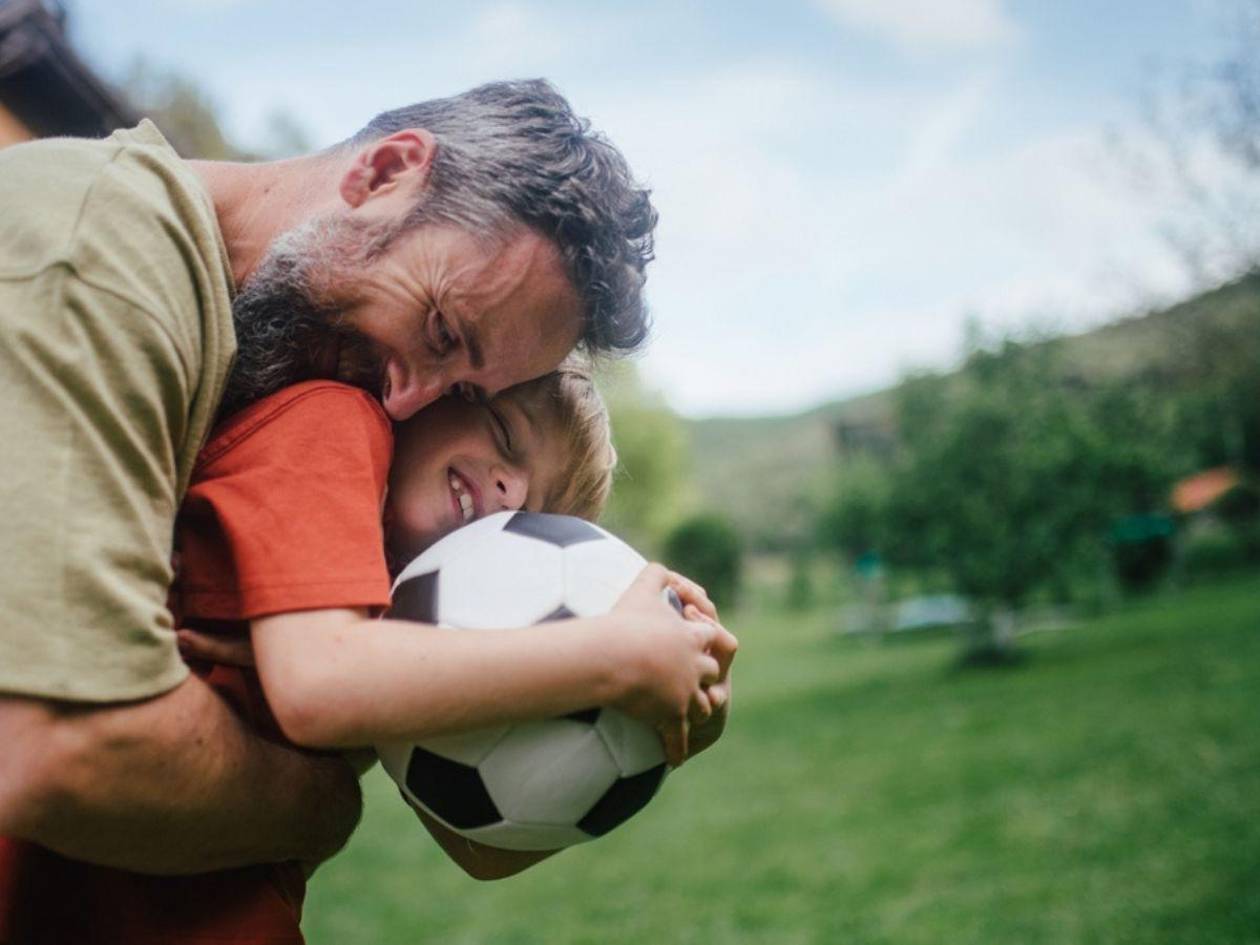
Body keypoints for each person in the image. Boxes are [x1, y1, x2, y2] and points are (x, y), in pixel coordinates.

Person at [0, 79, 670, 877]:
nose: (405, 399)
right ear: (385, 172)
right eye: (441, 328)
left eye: (462, 392)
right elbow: (57, 749)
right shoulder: (94, 258)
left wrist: (665, 710)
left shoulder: (266, 361)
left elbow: (476, 848)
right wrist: (322, 802)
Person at [0, 363, 735, 944]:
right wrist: (617, 652)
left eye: (528, 502)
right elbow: (322, 683)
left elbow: (479, 848)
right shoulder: (330, 429)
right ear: (440, 394)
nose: (507, 483)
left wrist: (672, 732)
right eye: (505, 432)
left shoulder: (419, 622)